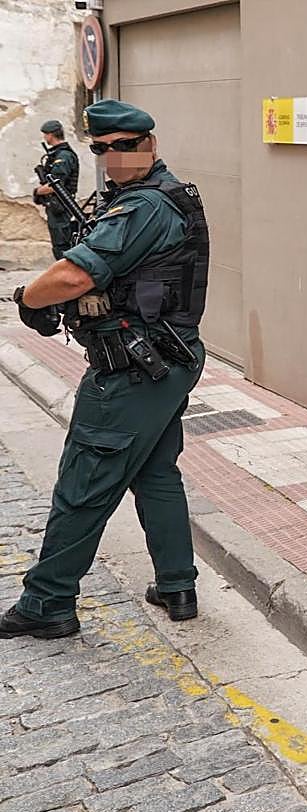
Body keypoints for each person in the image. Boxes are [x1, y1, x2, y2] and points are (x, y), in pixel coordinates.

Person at [3, 99, 209, 638]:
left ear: (150, 145)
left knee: (84, 480)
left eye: (125, 146)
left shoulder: (143, 208)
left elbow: (73, 277)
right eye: (102, 149)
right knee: (156, 471)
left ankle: (47, 602)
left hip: (132, 368)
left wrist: (27, 292)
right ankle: (176, 585)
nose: (113, 157)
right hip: (168, 359)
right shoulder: (160, 196)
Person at [33, 119, 80, 260]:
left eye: (45, 134)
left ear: (50, 135)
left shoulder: (63, 156)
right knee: (59, 242)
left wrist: (37, 192)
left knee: (62, 244)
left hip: (60, 204)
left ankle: (68, 275)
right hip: (56, 205)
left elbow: (55, 185)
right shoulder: (57, 154)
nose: (44, 138)